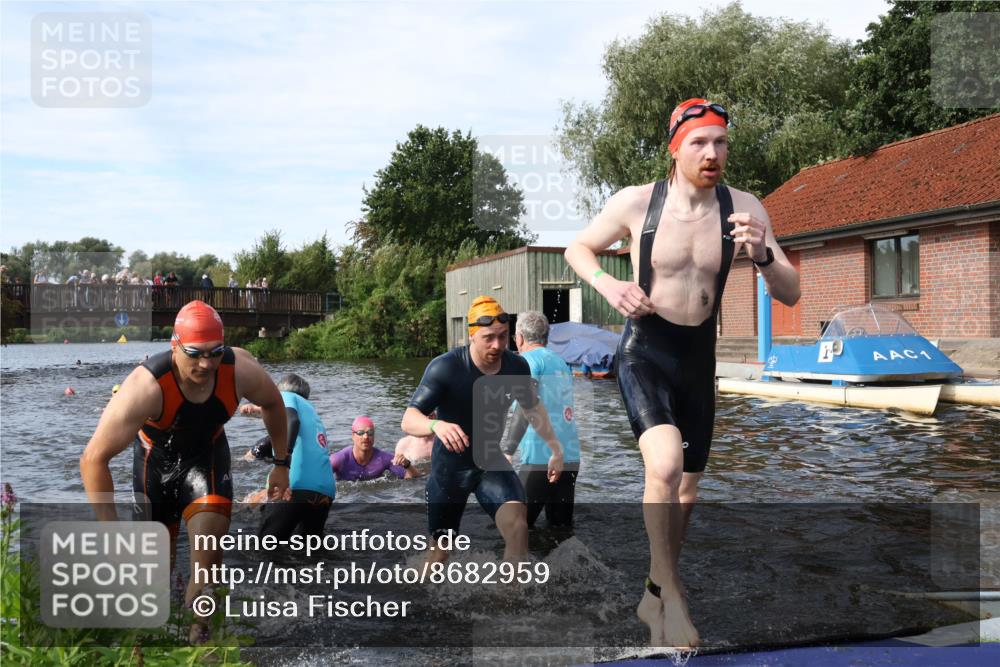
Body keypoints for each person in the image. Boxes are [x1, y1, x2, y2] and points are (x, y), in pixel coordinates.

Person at [564, 98, 801, 648]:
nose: (712, 153)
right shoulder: (637, 203)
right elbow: (580, 248)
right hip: (645, 350)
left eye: (720, 142)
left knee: (687, 490)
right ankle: (673, 597)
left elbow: (791, 291)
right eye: (699, 142)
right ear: (674, 148)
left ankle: (652, 591)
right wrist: (609, 284)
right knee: (665, 465)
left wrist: (764, 255)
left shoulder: (744, 207)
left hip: (699, 360)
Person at [79, 299, 290, 643]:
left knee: (207, 569)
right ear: (174, 346)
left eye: (215, 352)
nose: (206, 364)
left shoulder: (239, 370)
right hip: (153, 467)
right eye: (195, 353)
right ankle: (156, 644)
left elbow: (274, 403)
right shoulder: (145, 387)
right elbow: (92, 459)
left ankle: (202, 644)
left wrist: (282, 464)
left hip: (206, 460)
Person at [400, 296, 564, 563]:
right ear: (472, 335)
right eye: (488, 337)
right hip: (448, 470)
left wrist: (556, 449)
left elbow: (533, 408)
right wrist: (435, 424)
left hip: (490, 461)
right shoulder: (446, 367)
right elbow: (408, 418)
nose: (497, 345)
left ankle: (509, 600)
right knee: (440, 554)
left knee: (518, 528)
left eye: (503, 336)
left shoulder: (517, 366)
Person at [501, 311, 581, 528]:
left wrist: (508, 450)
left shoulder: (526, 361)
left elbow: (526, 407)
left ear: (519, 338)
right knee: (560, 533)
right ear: (546, 337)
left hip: (540, 458)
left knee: (515, 529)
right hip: (570, 457)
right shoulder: (562, 363)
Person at [247, 374, 336, 540]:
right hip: (325, 490)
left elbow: (292, 421)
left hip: (296, 486)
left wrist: (282, 463)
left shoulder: (285, 397)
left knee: (265, 548)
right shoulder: (312, 412)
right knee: (310, 551)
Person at [329, 417, 418, 481]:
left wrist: (407, 465)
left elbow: (413, 478)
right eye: (360, 433)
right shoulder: (338, 460)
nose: (366, 437)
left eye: (370, 432)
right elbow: (317, 476)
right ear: (353, 436)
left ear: (374, 436)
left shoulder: (384, 459)